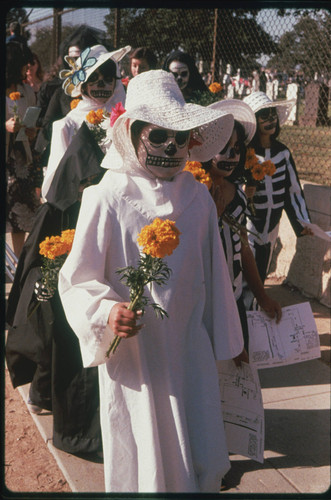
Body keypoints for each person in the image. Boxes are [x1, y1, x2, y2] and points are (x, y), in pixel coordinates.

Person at [58, 70, 245, 493]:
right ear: (134, 132)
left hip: (188, 347)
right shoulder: (106, 196)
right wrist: (107, 313)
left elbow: (215, 275)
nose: (172, 147)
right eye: (160, 136)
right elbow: (78, 277)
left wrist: (229, 342)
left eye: (182, 137)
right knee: (141, 448)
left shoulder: (198, 198)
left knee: (196, 443)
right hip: (136, 356)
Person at [6, 122, 105, 455]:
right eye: (85, 181)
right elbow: (33, 262)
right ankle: (76, 435)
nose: (90, 187)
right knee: (69, 368)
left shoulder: (103, 204)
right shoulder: (56, 208)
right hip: (61, 300)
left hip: (92, 298)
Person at [202, 99, 282, 349]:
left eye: (237, 148)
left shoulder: (237, 194)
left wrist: (262, 295)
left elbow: (244, 248)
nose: (231, 155)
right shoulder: (194, 192)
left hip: (232, 295)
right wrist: (211, 217)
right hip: (203, 300)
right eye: (223, 147)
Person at [242, 91, 312, 309]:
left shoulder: (282, 152)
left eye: (272, 114)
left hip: (273, 223)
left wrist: (302, 222)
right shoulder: (246, 153)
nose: (270, 119)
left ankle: (256, 316)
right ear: (253, 121)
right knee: (247, 270)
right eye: (264, 115)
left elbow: (292, 190)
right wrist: (246, 191)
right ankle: (245, 316)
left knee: (262, 266)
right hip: (249, 223)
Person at [41, 43, 130, 200]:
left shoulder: (125, 118)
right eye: (94, 78)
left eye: (108, 79)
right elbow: (56, 183)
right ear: (83, 84)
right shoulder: (66, 125)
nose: (101, 84)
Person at [6, 41, 42, 258]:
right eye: (22, 65)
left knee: (21, 213)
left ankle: (20, 264)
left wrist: (31, 132)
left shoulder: (26, 90)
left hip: (20, 159)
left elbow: (32, 121)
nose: (26, 70)